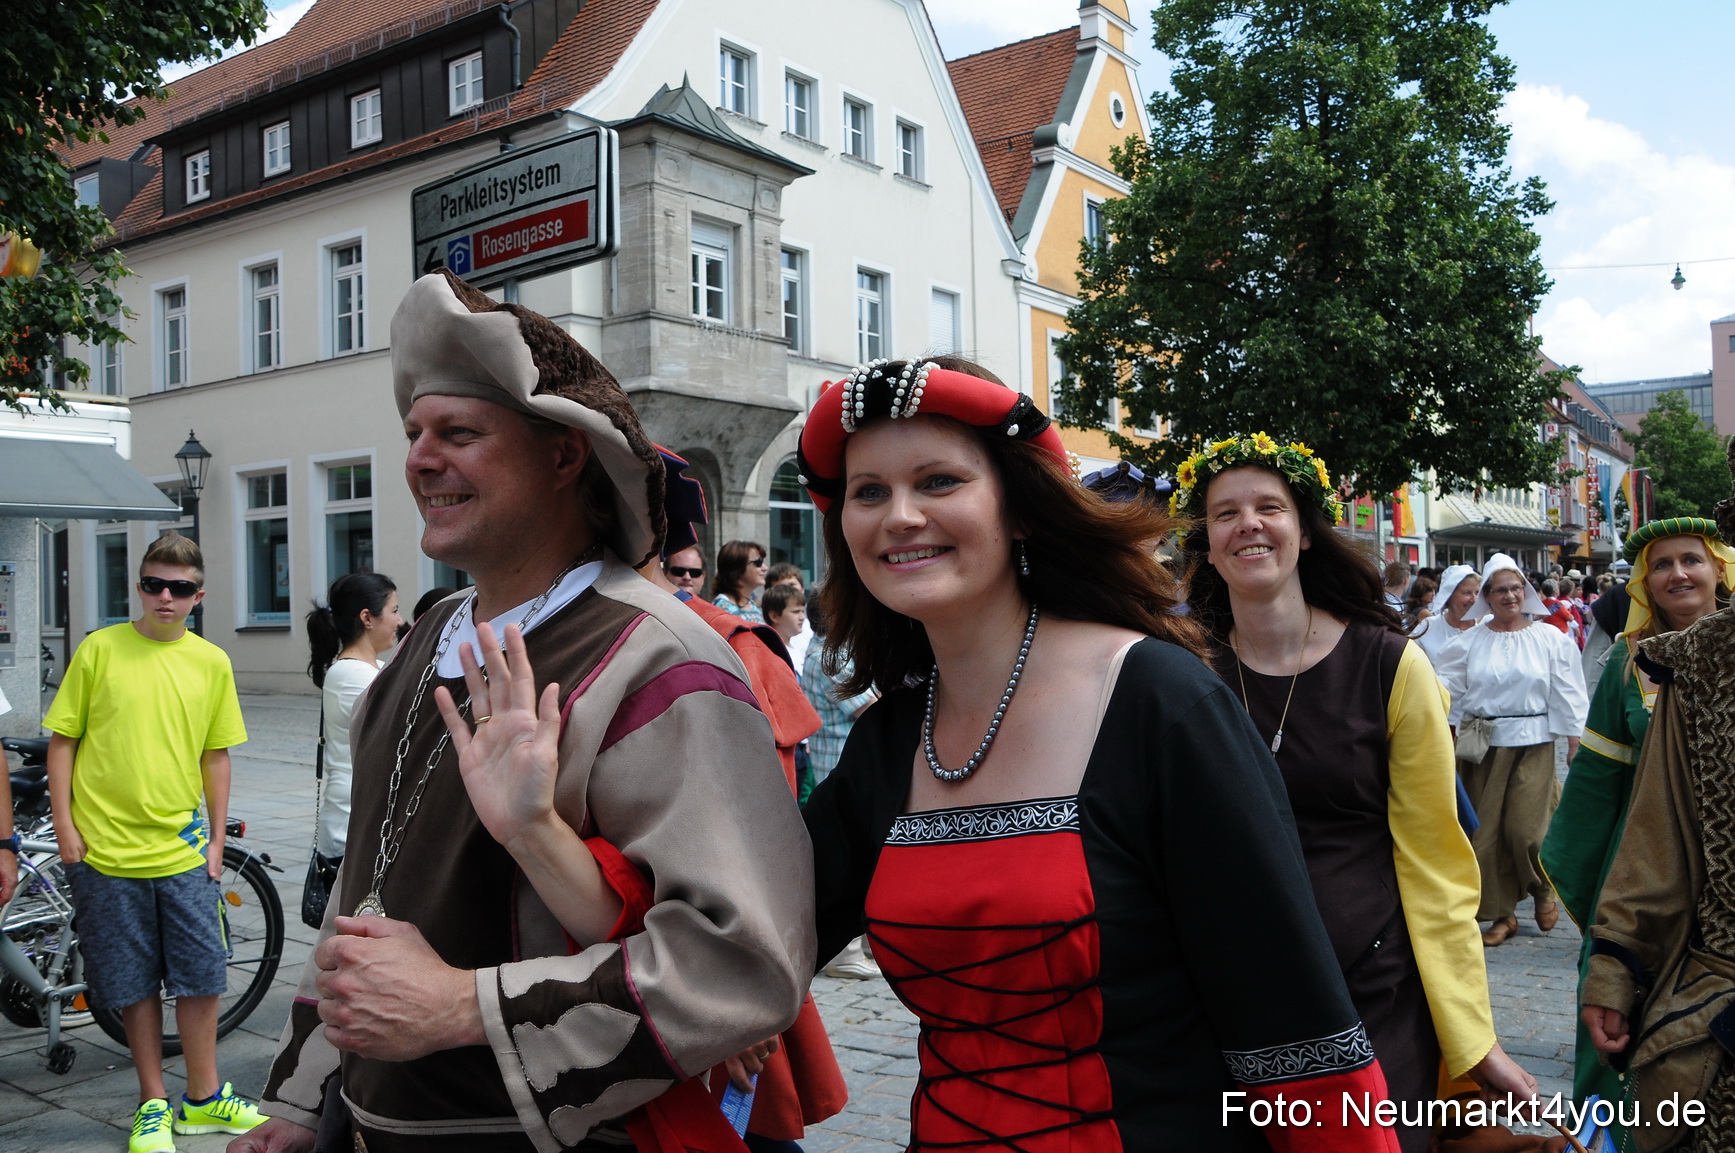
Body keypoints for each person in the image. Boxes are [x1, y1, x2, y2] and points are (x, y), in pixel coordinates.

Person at [235, 270, 811, 1153]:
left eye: (458, 432)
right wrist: (301, 1098)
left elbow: (737, 968)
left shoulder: (661, 656)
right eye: (415, 433)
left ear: (563, 453)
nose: (420, 458)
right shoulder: (425, 636)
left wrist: (459, 1006)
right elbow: (365, 896)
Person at [797, 361, 1402, 1151]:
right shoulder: (887, 739)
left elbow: (1296, 1030)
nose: (899, 515)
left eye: (939, 480)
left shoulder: (1160, 702)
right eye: (867, 491)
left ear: (1020, 508)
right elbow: (755, 933)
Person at [1175, 435, 1535, 1152]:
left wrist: (1470, 1038)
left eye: (1267, 507)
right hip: (1227, 997)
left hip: (1371, 992)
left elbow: (1436, 861)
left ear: (1304, 531)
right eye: (1224, 513)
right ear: (1207, 544)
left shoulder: (1388, 664)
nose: (1247, 523)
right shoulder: (1177, 671)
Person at [44, 531, 265, 1153]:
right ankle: (152, 1102)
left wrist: (219, 840)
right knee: (131, 981)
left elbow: (215, 756)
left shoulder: (211, 662)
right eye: (153, 585)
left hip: (184, 847)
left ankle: (203, 1097)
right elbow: (64, 740)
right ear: (138, 586)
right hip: (105, 850)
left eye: (180, 588)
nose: (165, 597)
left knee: (202, 974)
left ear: (199, 595)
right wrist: (64, 824)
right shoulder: (100, 650)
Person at [1542, 517, 1735, 1134]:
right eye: (1662, 564)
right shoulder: (1631, 667)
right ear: (1644, 584)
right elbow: (1598, 787)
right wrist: (1605, 898)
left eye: (1692, 560)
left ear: (1719, 571)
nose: (1678, 573)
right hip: (1655, 853)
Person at [1436, 554, 1588, 947]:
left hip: (1535, 742)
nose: (1510, 595)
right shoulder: (1470, 641)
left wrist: (1574, 740)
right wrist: (1443, 731)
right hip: (1483, 745)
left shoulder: (1549, 638)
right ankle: (1503, 914)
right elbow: (1448, 687)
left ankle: (1542, 888)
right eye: (1500, 589)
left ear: (1527, 591)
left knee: (1526, 833)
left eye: (1516, 587)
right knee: (1485, 838)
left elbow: (1569, 690)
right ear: (1487, 596)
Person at [304, 572, 402, 871]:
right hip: (353, 829)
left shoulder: (374, 668)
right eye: (394, 611)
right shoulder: (351, 674)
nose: (400, 620)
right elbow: (397, 736)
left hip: (369, 825)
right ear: (367, 618)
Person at [1411, 564, 1481, 668]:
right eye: (1467, 593)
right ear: (1449, 595)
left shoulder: (1486, 626)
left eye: (1477, 592)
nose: (1474, 599)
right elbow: (1408, 660)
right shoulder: (1428, 627)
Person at [765, 563, 814, 669]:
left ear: (802, 589)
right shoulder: (770, 651)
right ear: (774, 616)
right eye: (781, 588)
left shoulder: (810, 627)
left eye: (792, 586)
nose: (789, 593)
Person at [714, 540, 768, 623]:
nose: (765, 568)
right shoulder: (721, 609)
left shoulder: (754, 606)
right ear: (737, 568)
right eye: (758, 562)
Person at [761, 583, 806, 667]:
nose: (802, 617)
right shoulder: (770, 653)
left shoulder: (797, 646)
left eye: (802, 611)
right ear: (774, 616)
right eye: (796, 612)